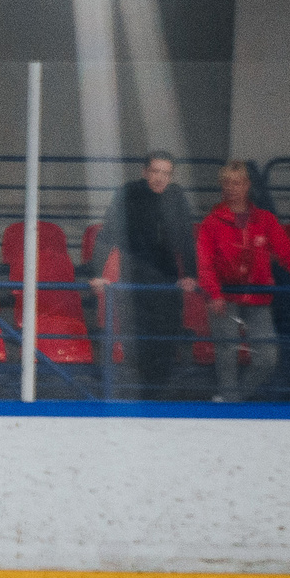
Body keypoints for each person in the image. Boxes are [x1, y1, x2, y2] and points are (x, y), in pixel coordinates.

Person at [195, 160, 290, 402]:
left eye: (237, 183)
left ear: (247, 185)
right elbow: (204, 263)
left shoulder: (265, 220)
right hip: (224, 297)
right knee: (226, 353)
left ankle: (233, 400)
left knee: (268, 356)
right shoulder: (211, 223)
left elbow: (286, 252)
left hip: (257, 296)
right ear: (221, 186)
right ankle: (229, 404)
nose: (232, 188)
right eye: (227, 183)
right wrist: (214, 294)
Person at [90, 152, 200, 398]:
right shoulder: (128, 193)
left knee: (166, 342)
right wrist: (97, 273)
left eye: (166, 173)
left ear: (171, 176)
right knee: (136, 343)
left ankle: (157, 400)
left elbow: (185, 239)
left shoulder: (177, 196)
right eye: (156, 171)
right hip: (134, 279)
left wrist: (191, 273)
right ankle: (140, 398)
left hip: (167, 281)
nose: (160, 178)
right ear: (145, 172)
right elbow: (108, 233)